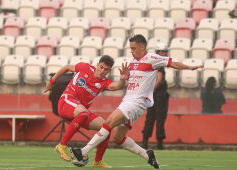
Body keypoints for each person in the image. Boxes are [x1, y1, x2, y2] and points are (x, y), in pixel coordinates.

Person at [70, 34, 203, 169]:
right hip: (128, 100)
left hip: (136, 102)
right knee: (117, 137)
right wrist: (125, 77)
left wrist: (189, 67)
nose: (131, 51)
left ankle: (83, 152)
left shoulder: (151, 58)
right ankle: (147, 155)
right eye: (131, 48)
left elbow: (172, 62)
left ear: (142, 47)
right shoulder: (133, 62)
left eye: (133, 48)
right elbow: (136, 81)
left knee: (108, 122)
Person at [44, 55, 130, 168]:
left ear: (109, 71)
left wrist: (122, 79)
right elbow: (66, 68)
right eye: (101, 67)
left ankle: (98, 162)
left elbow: (118, 86)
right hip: (66, 101)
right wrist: (51, 81)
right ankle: (62, 145)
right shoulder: (84, 67)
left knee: (106, 128)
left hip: (79, 112)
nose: (102, 71)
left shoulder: (104, 82)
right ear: (97, 65)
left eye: (106, 70)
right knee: (83, 113)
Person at [142, 43, 169, 150]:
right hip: (159, 95)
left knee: (150, 118)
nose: (163, 54)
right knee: (159, 119)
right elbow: (159, 79)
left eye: (164, 52)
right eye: (161, 52)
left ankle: (145, 142)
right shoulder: (160, 65)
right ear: (157, 53)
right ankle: (159, 144)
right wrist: (152, 90)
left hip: (152, 95)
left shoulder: (153, 63)